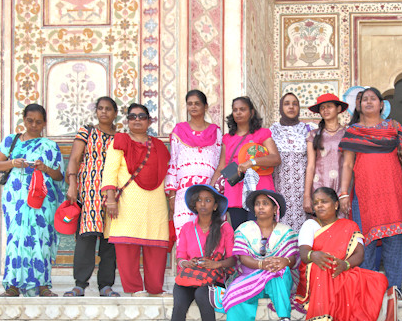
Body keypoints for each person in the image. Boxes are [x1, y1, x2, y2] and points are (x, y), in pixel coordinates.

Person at [338, 86, 402, 292]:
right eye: (364, 100)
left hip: (392, 192)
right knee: (366, 243)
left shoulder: (394, 127)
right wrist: (343, 193)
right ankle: (368, 291)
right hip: (365, 194)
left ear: (382, 105)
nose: (368, 102)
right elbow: (346, 165)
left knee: (395, 240)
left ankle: (394, 289)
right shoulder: (353, 132)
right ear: (359, 106)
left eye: (373, 99)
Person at [0, 104, 64, 297]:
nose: (33, 125)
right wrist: (12, 163)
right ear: (23, 120)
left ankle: (43, 286)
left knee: (41, 238)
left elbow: (59, 176)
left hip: (42, 199)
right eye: (30, 120)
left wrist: (45, 168)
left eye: (38, 122)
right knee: (17, 238)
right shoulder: (11, 141)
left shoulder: (50, 146)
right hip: (16, 198)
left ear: (44, 123)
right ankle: (13, 285)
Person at [168, 184, 236, 321]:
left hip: (214, 278)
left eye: (208, 200)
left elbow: (233, 259)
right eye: (200, 200)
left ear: (215, 206)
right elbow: (180, 256)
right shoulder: (188, 227)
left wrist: (215, 263)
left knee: (201, 295)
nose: (203, 204)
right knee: (179, 305)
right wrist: (185, 262)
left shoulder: (224, 228)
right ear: (194, 204)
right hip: (190, 276)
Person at [101, 103, 171, 296]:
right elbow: (110, 172)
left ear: (149, 121)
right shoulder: (120, 141)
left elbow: (167, 172)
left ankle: (155, 288)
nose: (137, 120)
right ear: (127, 121)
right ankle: (134, 289)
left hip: (155, 202)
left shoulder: (158, 145)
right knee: (126, 246)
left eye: (142, 116)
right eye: (133, 117)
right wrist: (111, 200)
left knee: (156, 243)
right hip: (128, 202)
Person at [295, 187, 388, 321]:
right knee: (321, 267)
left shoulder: (350, 225)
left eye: (324, 201)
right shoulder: (310, 225)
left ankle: (339, 316)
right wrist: (314, 255)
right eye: (316, 203)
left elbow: (359, 254)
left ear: (336, 204)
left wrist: (344, 265)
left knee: (378, 279)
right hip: (316, 270)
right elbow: (304, 253)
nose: (319, 205)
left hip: (341, 268)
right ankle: (320, 319)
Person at [220, 190, 298, 321]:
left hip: (274, 277)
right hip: (249, 277)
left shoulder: (287, 231)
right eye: (257, 204)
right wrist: (262, 264)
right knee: (236, 295)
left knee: (280, 272)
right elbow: (242, 257)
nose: (260, 207)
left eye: (265, 203)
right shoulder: (244, 229)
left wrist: (285, 262)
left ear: (275, 209)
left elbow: (292, 258)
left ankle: (285, 317)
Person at [64, 96, 120, 297]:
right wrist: (72, 184)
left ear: (115, 113)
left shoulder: (119, 137)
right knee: (86, 238)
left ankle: (105, 285)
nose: (104, 112)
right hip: (89, 192)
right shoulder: (87, 131)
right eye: (100, 108)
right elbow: (74, 158)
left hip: (113, 193)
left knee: (110, 240)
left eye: (108, 109)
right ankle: (80, 283)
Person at [211, 97, 281, 229]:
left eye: (242, 109)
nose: (238, 113)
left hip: (259, 189)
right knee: (241, 233)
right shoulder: (227, 138)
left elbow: (275, 158)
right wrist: (211, 189)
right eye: (235, 110)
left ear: (252, 112)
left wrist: (252, 162)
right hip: (235, 191)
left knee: (260, 232)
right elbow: (222, 166)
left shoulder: (262, 134)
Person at [165, 90, 222, 237]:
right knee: (184, 234)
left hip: (209, 190)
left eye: (197, 103)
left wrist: (214, 190)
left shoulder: (215, 132)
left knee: (209, 235)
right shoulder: (179, 130)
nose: (193, 107)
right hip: (183, 194)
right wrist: (172, 195)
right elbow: (173, 163)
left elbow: (218, 163)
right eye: (190, 104)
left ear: (205, 107)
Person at [270, 92, 311, 232]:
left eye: (295, 104)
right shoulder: (272, 130)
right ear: (281, 108)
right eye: (287, 103)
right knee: (281, 228)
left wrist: (308, 194)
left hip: (303, 190)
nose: (291, 107)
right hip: (280, 188)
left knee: (304, 230)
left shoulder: (307, 130)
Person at [304, 93, 349, 218]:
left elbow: (349, 164)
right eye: (322, 108)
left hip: (341, 187)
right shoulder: (313, 135)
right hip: (319, 186)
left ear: (338, 109)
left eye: (329, 106)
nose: (325, 110)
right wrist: (307, 196)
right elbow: (311, 166)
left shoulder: (347, 133)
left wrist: (346, 193)